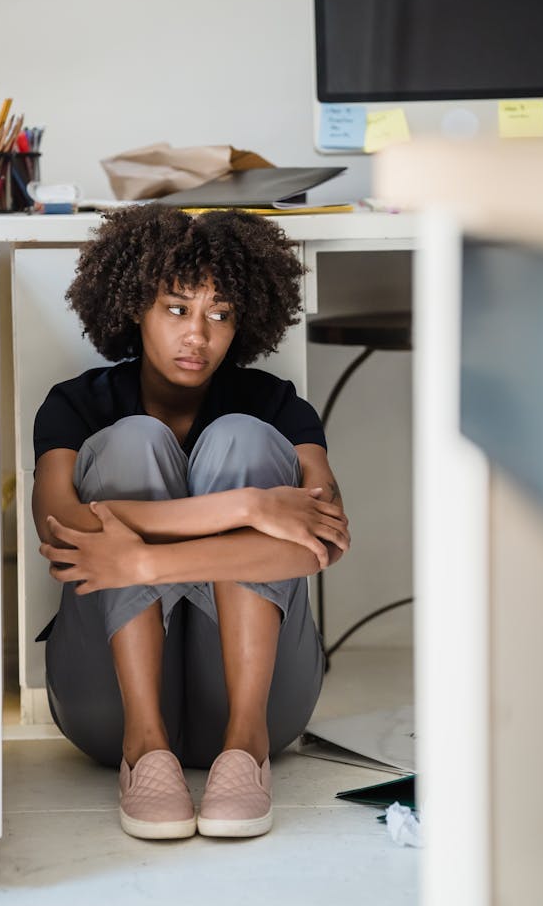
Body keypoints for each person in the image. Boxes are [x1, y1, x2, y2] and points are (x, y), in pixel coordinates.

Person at [32, 203, 349, 841]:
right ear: (134, 309)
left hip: (265, 705)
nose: (197, 337)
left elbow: (321, 543)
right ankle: (143, 748)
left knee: (242, 439)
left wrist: (146, 558)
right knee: (133, 443)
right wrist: (249, 509)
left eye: (220, 314)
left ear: (243, 322)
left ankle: (245, 749)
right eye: (177, 309)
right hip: (107, 708)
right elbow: (63, 530)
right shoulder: (77, 405)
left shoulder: (276, 407)